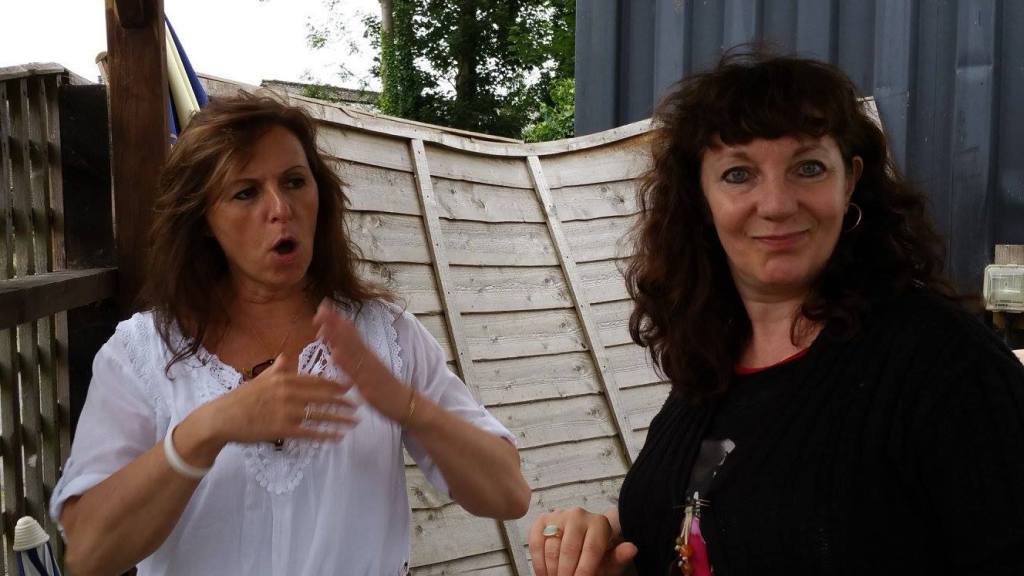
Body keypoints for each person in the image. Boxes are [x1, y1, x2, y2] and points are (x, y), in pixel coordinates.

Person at [528, 51, 1024, 575]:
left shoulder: (945, 365)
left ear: (849, 182)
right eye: (738, 174)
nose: (777, 204)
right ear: (701, 197)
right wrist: (609, 549)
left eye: (808, 168)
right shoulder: (711, 363)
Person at [50, 95, 530, 576]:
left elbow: (508, 494)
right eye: (245, 193)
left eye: (295, 182)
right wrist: (206, 430)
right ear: (203, 221)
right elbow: (88, 554)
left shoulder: (386, 335)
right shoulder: (143, 352)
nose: (281, 209)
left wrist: (408, 405)